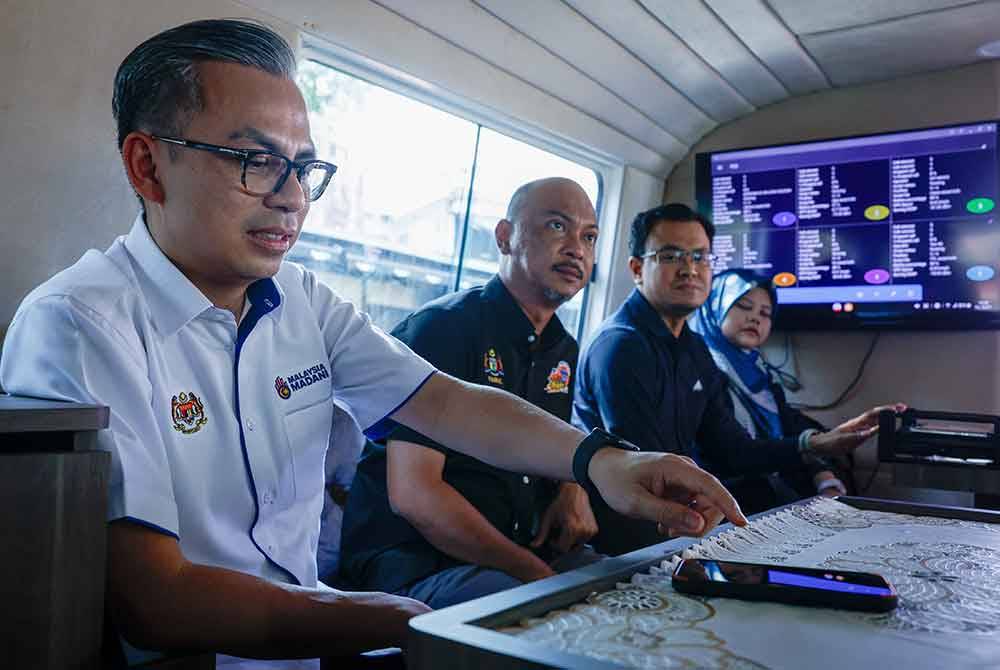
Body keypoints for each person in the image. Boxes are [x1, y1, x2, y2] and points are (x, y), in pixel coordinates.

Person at [0, 20, 745, 663]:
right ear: (147, 164)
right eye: (256, 161)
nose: (291, 196)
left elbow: (447, 404)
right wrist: (404, 621)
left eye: (303, 166)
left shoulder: (303, 302)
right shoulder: (80, 324)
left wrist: (603, 461)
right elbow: (156, 600)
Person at [573, 203, 901, 556]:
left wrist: (820, 444)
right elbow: (643, 470)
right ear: (638, 268)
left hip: (678, 524)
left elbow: (731, 450)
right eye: (671, 256)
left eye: (700, 257)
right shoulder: (621, 346)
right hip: (631, 537)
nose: (689, 269)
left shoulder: (692, 348)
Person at [340, 178, 601, 608]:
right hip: (418, 561)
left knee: (633, 592)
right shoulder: (444, 329)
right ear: (504, 237)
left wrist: (571, 485)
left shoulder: (563, 348)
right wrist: (534, 575)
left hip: (514, 551)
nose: (577, 248)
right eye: (558, 227)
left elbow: (541, 436)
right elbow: (415, 497)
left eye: (589, 236)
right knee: (547, 620)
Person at [688, 269, 849, 513]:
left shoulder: (761, 375)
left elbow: (790, 430)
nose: (756, 318)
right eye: (743, 306)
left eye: (765, 313)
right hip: (724, 502)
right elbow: (731, 454)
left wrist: (825, 478)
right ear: (714, 306)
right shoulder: (699, 372)